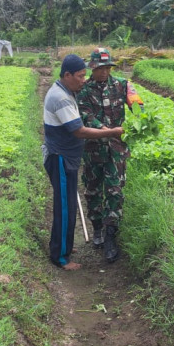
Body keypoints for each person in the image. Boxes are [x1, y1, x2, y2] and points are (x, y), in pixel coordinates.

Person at [43, 54, 124, 270]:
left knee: (68, 204)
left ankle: (64, 245)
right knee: (65, 208)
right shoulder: (61, 98)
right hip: (60, 157)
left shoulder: (67, 92)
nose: (83, 79)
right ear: (67, 75)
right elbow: (79, 131)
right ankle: (60, 257)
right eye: (80, 76)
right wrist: (113, 131)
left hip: (66, 158)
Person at [77, 48, 143, 263]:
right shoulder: (84, 90)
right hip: (93, 150)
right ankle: (97, 227)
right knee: (93, 190)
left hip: (117, 150)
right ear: (92, 68)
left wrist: (138, 112)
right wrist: (107, 130)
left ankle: (110, 236)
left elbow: (138, 107)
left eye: (107, 68)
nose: (104, 72)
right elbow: (85, 116)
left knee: (114, 191)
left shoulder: (122, 86)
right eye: (99, 68)